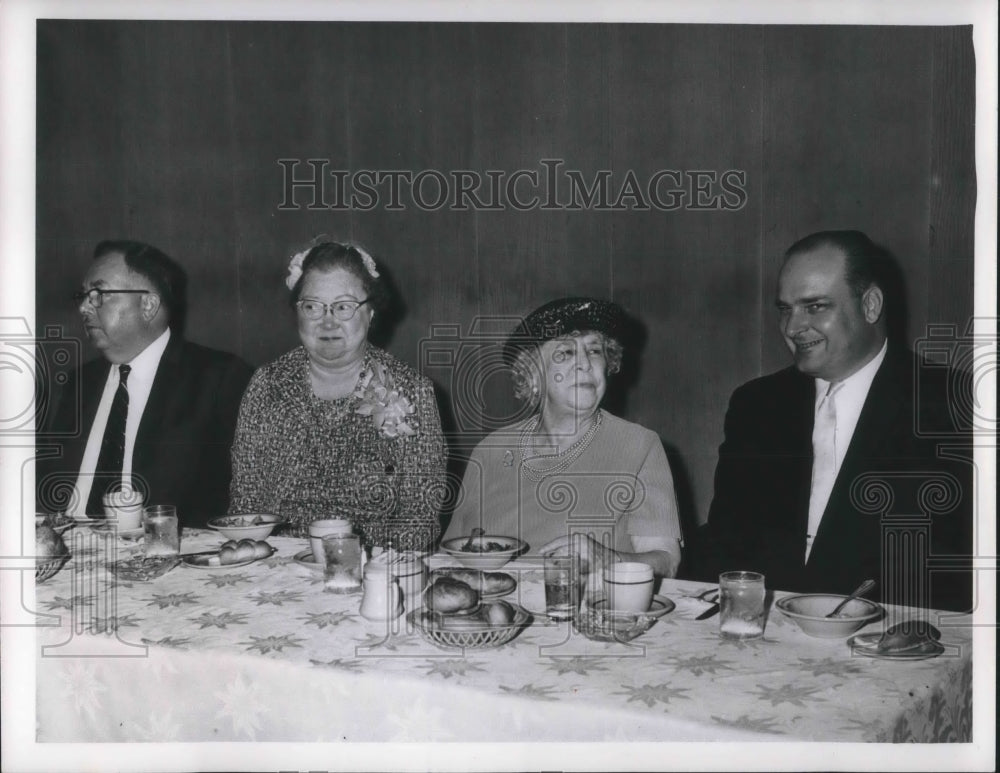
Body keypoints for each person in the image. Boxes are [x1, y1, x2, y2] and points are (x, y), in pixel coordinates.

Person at [703, 230, 972, 611]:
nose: (793, 327)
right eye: (785, 309)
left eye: (815, 307)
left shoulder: (953, 405)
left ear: (871, 305)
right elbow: (725, 541)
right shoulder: (756, 405)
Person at [443, 297, 683, 584]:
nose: (585, 363)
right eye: (566, 353)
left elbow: (667, 562)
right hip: (493, 614)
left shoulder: (638, 446)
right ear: (533, 374)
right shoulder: (490, 451)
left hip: (590, 615)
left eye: (595, 351)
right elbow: (450, 554)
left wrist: (607, 559)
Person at [229, 237, 446, 551]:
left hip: (375, 568)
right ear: (298, 313)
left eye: (343, 306)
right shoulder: (268, 384)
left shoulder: (411, 390)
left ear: (370, 313)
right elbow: (247, 503)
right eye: (313, 307)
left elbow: (418, 517)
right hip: (279, 568)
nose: (327, 320)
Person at [37, 240, 254, 528]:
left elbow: (240, 497)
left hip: (164, 553)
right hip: (69, 550)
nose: (84, 307)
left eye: (99, 294)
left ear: (148, 304)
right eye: (84, 295)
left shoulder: (217, 378)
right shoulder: (79, 383)